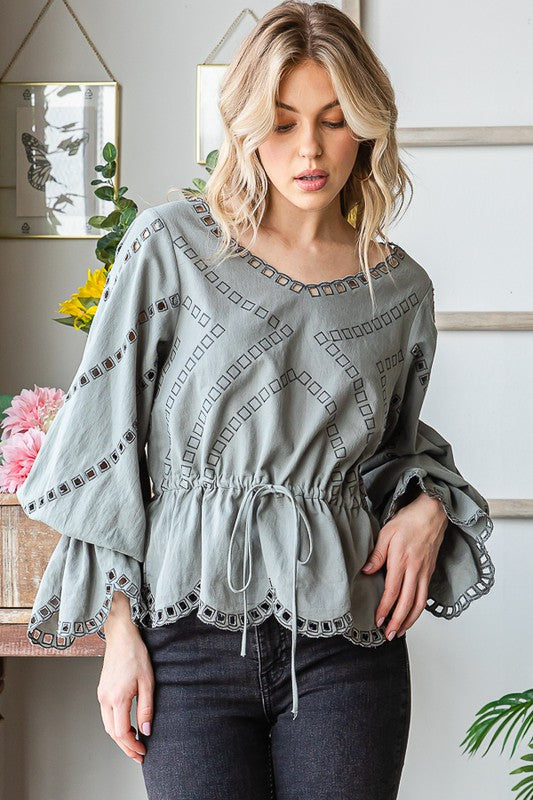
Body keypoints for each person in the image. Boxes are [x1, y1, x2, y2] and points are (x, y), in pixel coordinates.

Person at [16, 2, 496, 798]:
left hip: (347, 647)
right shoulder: (171, 247)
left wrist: (428, 505)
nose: (309, 149)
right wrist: (119, 634)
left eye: (334, 120)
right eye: (281, 122)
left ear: (366, 127)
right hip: (184, 643)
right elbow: (104, 442)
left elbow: (392, 451)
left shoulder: (399, 290)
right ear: (244, 127)